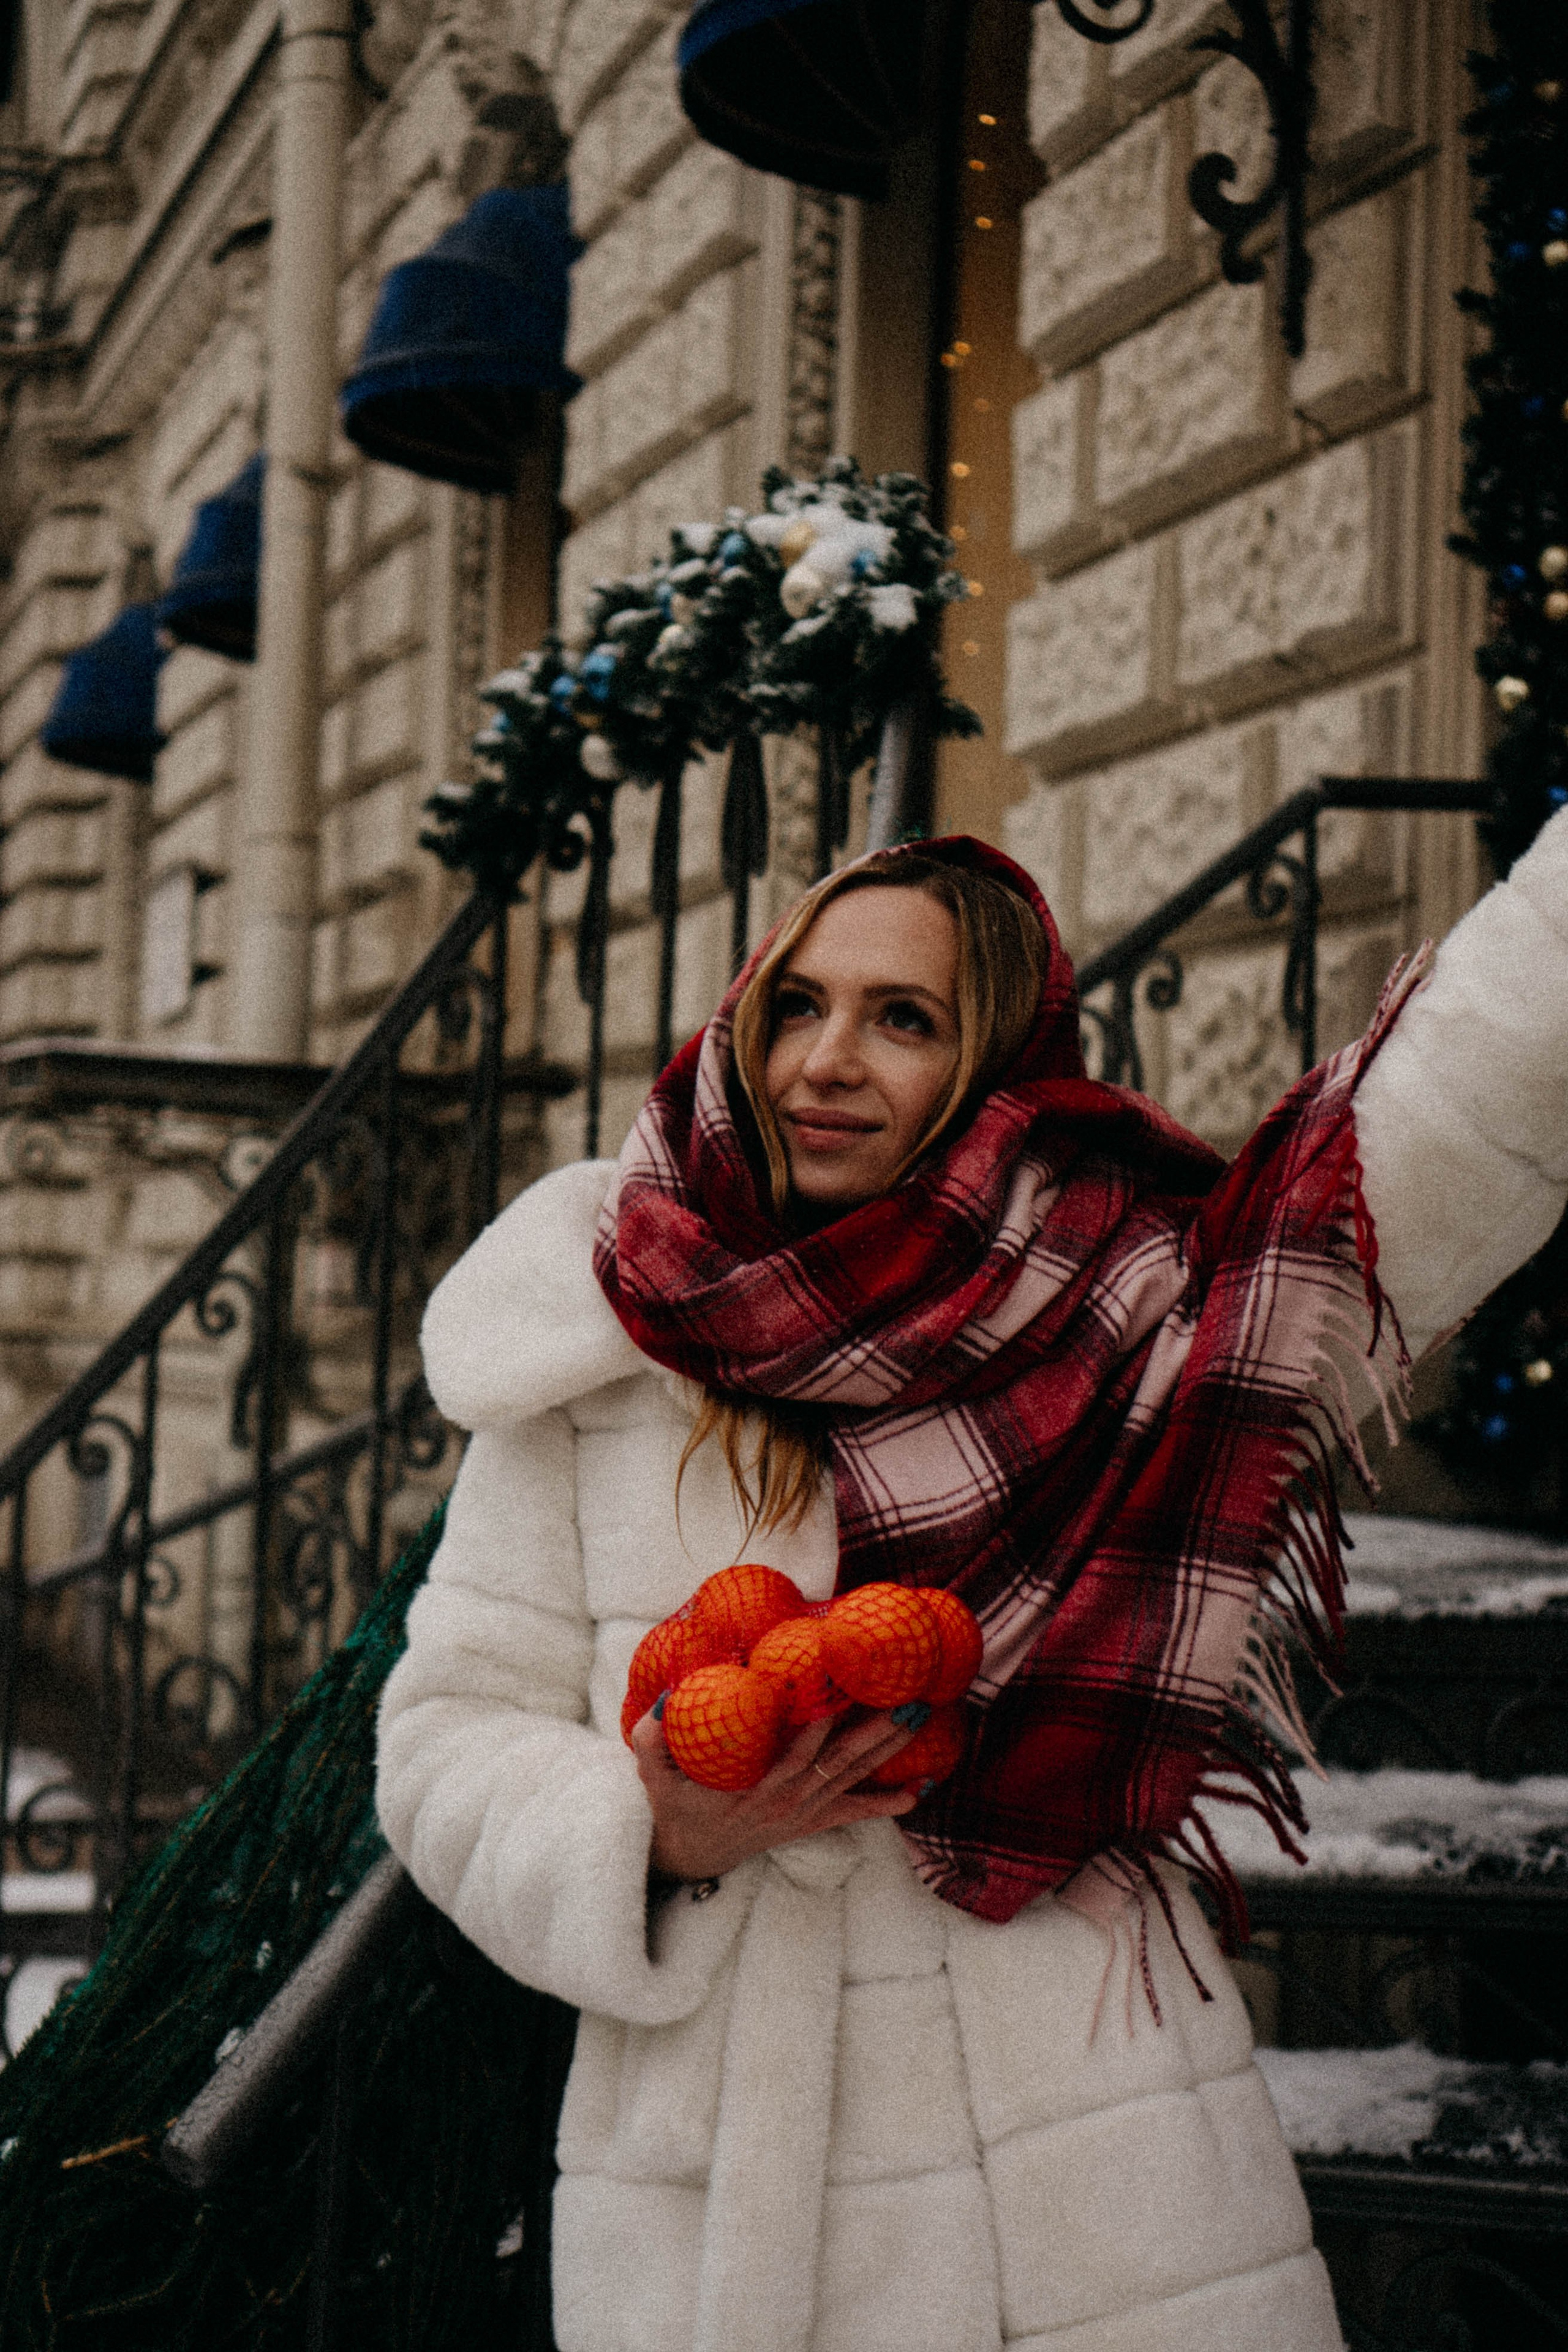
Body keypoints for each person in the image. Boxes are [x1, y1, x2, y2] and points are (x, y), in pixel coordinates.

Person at [376, 821, 1568, 2352]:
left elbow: (1446, 1118)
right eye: (794, 1006)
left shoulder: (1131, 1309)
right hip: (734, 2188)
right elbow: (445, 1738)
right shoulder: (606, 1348)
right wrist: (651, 1829)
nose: (824, 1060)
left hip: (1087, 2178)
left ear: (996, 1065)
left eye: (903, 1018)